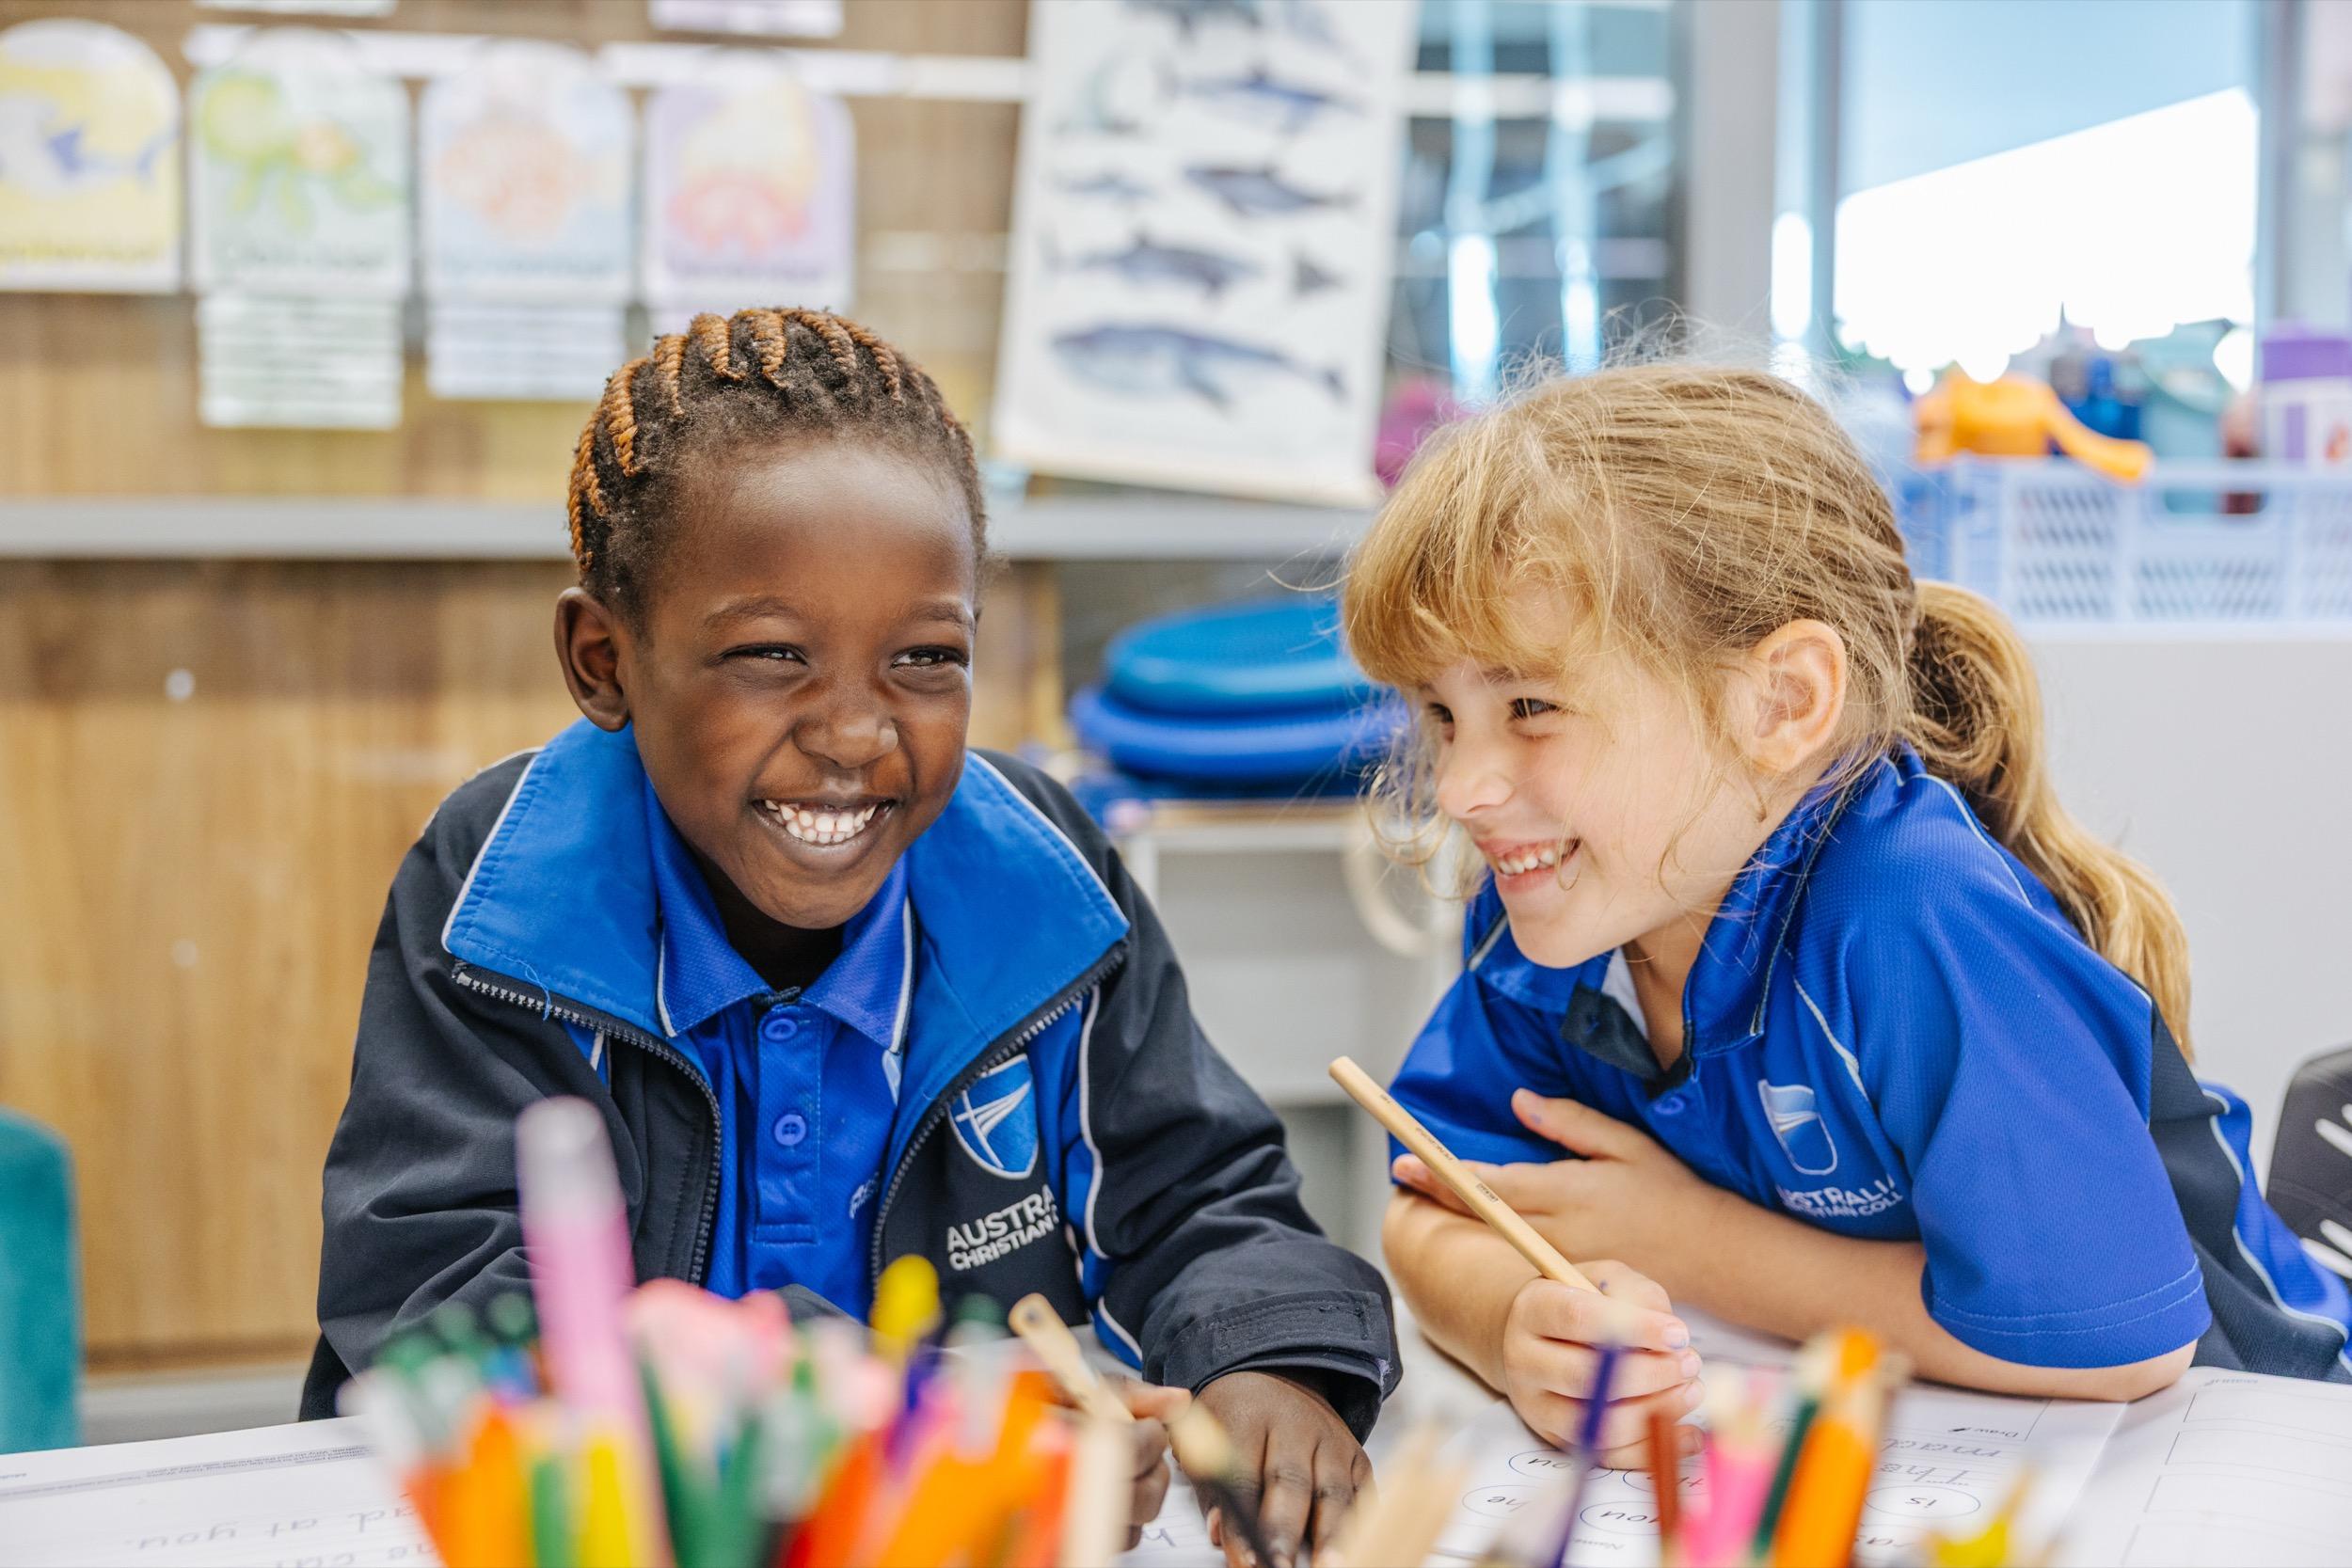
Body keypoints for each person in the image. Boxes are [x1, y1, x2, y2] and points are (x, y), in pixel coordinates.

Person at [309, 307, 1396, 1565]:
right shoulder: (504, 896)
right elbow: (453, 1307)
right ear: (601, 658)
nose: (855, 732)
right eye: (771, 653)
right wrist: (904, 1412)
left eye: (925, 656)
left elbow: (1194, 1190)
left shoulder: (1040, 882)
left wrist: (1270, 1362)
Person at [1346, 363, 2351, 1453]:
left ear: (1781, 703)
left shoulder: (1910, 909)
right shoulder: (1551, 904)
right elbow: (1432, 1196)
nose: (1459, 789)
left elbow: (2118, 1346)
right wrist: (1508, 1318)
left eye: (1531, 704)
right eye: (1442, 714)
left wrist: (1691, 1242)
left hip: (2248, 1441)